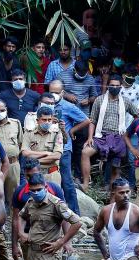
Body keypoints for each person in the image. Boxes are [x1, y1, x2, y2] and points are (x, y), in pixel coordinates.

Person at [82, 75, 139, 189]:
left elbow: (137, 115)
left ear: (121, 86)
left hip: (118, 137)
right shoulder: (99, 100)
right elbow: (92, 120)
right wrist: (90, 137)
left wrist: (129, 131)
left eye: (117, 86)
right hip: (100, 136)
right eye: (112, 85)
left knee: (114, 166)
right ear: (108, 86)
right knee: (85, 152)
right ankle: (85, 185)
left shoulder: (126, 102)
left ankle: (112, 192)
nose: (114, 87)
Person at [45, 82, 89, 212]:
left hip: (64, 148)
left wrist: (72, 130)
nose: (54, 95)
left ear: (63, 93)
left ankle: (75, 213)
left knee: (67, 181)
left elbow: (86, 120)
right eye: (52, 91)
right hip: (47, 149)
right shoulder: (45, 104)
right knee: (49, 179)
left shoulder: (68, 106)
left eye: (57, 92)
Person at [21, 105, 64, 187]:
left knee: (53, 198)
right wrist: (46, 153)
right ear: (37, 120)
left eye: (49, 120)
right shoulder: (29, 133)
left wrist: (34, 160)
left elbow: (57, 155)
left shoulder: (57, 133)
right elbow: (25, 153)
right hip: (34, 174)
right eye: (44, 120)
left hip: (52, 174)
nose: (47, 122)